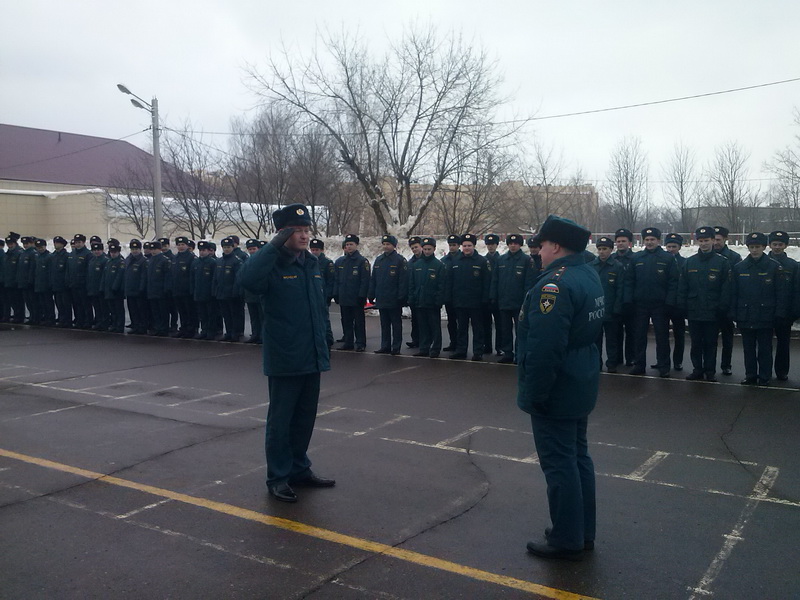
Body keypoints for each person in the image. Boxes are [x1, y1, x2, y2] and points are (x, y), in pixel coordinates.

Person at [517, 215, 603, 561]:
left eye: (541, 245)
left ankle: (566, 538)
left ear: (555, 246)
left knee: (559, 463)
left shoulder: (555, 285)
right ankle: (581, 531)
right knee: (578, 458)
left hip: (559, 385)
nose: (537, 252)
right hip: (580, 378)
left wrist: (536, 393)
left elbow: (545, 348)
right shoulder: (587, 273)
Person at [239, 203, 333, 504]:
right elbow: (246, 281)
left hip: (312, 354)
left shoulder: (311, 264)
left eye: (307, 230)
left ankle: (299, 469)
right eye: (297, 231)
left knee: (304, 419)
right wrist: (272, 247)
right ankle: (278, 477)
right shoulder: (271, 264)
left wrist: (326, 338)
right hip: (285, 356)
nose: (305, 236)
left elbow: (318, 307)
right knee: (281, 422)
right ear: (282, 234)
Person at [730, 232, 786, 386]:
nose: (754, 250)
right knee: (748, 348)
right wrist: (734, 313)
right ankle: (750, 375)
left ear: (764, 247)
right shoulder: (739, 268)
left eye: (757, 247)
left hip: (765, 315)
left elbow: (780, 293)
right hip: (745, 314)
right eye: (751, 247)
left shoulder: (774, 267)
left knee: (765, 348)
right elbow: (734, 293)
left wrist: (779, 313)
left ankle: (764, 376)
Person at [677, 227, 731, 382]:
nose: (704, 244)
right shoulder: (690, 262)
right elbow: (683, 286)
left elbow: (726, 288)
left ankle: (710, 371)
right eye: (701, 241)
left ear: (713, 240)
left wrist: (722, 307)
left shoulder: (722, 262)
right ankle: (697, 369)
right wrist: (682, 306)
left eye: (706, 240)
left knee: (710, 343)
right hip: (694, 310)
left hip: (713, 311)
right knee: (696, 343)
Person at [624, 227, 679, 377]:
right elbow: (629, 281)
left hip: (660, 305)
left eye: (652, 239)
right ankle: (639, 365)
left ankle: (664, 366)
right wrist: (629, 300)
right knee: (639, 336)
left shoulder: (667, 258)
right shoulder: (637, 258)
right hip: (640, 304)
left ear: (658, 240)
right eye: (647, 240)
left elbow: (673, 282)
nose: (649, 242)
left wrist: (669, 302)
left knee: (662, 337)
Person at [490, 233, 536, 364]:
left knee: (520, 330)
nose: (513, 246)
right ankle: (508, 353)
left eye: (515, 243)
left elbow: (528, 283)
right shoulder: (501, 260)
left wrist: (526, 301)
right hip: (504, 301)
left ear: (520, 245)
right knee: (505, 330)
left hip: (519, 303)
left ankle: (519, 354)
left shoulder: (527, 260)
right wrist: (493, 296)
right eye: (510, 243)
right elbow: (495, 280)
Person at [446, 233, 491, 361]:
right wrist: (449, 297)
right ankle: (461, 350)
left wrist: (485, 299)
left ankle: (478, 351)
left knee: (478, 328)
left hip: (476, 302)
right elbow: (450, 281)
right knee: (461, 328)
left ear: (474, 246)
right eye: (464, 245)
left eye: (469, 245)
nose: (466, 248)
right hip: (460, 301)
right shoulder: (455, 261)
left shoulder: (482, 261)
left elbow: (487, 282)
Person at [368, 234, 408, 355]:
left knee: (396, 324)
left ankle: (396, 347)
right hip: (382, 297)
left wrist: (401, 297)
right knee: (384, 324)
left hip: (394, 298)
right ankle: (385, 345)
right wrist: (371, 294)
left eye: (388, 244)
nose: (386, 246)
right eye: (384, 244)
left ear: (394, 246)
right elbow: (373, 279)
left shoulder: (400, 260)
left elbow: (403, 280)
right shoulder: (379, 260)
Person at [767, 230, 799, 380]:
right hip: (765, 311)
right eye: (774, 244)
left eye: (780, 244)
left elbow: (796, 290)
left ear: (785, 245)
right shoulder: (762, 263)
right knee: (765, 344)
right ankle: (765, 371)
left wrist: (794, 312)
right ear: (769, 245)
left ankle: (782, 371)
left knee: (783, 344)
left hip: (785, 313)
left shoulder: (793, 266)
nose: (777, 247)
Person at [408, 237, 447, 358]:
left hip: (432, 302)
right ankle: (424, 348)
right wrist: (412, 298)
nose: (427, 251)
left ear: (434, 249)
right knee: (423, 326)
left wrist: (438, 300)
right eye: (425, 249)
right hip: (419, 301)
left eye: (429, 249)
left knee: (435, 327)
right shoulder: (417, 265)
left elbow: (441, 285)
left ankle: (435, 348)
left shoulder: (438, 265)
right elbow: (412, 283)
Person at [590, 236, 623, 372]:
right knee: (595, 340)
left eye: (605, 249)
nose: (602, 252)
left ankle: (612, 363)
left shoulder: (617, 267)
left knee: (612, 339)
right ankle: (596, 363)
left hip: (611, 309)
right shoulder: (591, 266)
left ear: (611, 249)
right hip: (595, 310)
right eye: (599, 249)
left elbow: (620, 289)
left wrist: (617, 307)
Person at [334, 234, 370, 351]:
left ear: (356, 245)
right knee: (346, 321)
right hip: (344, 296)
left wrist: (362, 295)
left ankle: (360, 343)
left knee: (359, 322)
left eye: (351, 244)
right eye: (347, 244)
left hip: (356, 297)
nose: (349, 247)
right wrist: (336, 293)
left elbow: (365, 280)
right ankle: (348, 342)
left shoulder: (362, 261)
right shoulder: (340, 262)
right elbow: (336, 279)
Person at [713, 226, 742, 375]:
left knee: (727, 338)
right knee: (710, 339)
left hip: (727, 305)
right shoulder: (706, 256)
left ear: (725, 239)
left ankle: (726, 365)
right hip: (711, 305)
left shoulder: (734, 258)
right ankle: (709, 365)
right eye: (714, 239)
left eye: (718, 240)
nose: (715, 243)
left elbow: (737, 283)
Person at [611, 228, 636, 367]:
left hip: (631, 302)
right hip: (616, 302)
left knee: (631, 332)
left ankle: (630, 358)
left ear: (629, 243)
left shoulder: (636, 259)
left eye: (623, 241)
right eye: (618, 241)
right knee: (616, 333)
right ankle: (617, 358)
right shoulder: (611, 259)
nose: (620, 243)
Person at [662, 233, 686, 371]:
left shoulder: (685, 263)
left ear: (679, 247)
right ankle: (663, 360)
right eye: (669, 246)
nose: (671, 249)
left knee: (679, 334)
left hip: (678, 305)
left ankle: (678, 361)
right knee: (663, 335)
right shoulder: (662, 261)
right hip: (664, 304)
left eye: (674, 247)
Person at [215, 237, 245, 342]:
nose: (226, 249)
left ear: (233, 247)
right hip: (222, 292)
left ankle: (235, 333)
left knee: (234, 314)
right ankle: (228, 332)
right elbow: (216, 278)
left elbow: (238, 278)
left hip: (232, 293)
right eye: (224, 247)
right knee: (226, 315)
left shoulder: (237, 261)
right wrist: (216, 290)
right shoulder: (219, 261)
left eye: (228, 247)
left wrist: (236, 292)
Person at [309, 238, 335, 348]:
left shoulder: (327, 263)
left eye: (317, 250)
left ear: (322, 250)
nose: (314, 252)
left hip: (323, 295)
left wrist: (329, 295)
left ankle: (328, 339)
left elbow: (331, 281)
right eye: (312, 250)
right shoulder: (308, 262)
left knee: (324, 318)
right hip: (312, 295)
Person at [172, 236, 198, 339]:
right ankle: (183, 328)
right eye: (179, 245)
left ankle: (191, 329)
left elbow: (193, 275)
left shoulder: (191, 258)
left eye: (183, 244)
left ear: (187, 245)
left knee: (190, 311)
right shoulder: (175, 258)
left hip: (187, 290)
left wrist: (191, 289)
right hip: (177, 289)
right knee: (182, 311)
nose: (181, 247)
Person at [145, 241, 172, 337]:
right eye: (151, 249)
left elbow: (168, 277)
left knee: (163, 311)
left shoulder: (165, 260)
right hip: (152, 290)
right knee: (155, 311)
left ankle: (164, 329)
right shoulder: (150, 260)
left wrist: (166, 289)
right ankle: (157, 327)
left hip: (161, 291)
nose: (153, 251)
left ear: (160, 249)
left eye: (155, 249)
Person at [440, 235, 461, 351]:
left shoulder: (463, 258)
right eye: (450, 245)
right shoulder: (444, 261)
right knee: (451, 322)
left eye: (454, 245)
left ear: (458, 245)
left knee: (461, 323)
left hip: (460, 296)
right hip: (449, 296)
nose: (452, 247)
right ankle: (453, 342)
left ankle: (461, 344)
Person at [483, 233, 502, 355]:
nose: (490, 246)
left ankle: (499, 347)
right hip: (486, 297)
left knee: (500, 324)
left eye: (493, 244)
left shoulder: (502, 260)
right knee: (486, 324)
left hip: (498, 297)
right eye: (488, 244)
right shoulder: (483, 260)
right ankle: (487, 346)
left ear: (497, 245)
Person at [124, 239, 148, 335]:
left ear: (140, 249)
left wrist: (141, 288)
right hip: (130, 289)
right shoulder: (128, 260)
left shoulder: (143, 261)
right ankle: (135, 325)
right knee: (132, 310)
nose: (134, 251)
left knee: (141, 310)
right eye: (133, 249)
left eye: (136, 249)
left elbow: (143, 276)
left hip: (138, 290)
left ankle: (142, 327)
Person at [242, 239, 264, 344]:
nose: (252, 251)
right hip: (250, 294)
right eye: (250, 249)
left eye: (254, 249)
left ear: (258, 249)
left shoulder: (264, 261)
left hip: (260, 294)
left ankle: (263, 336)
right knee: (254, 317)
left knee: (262, 317)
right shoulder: (247, 261)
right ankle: (255, 334)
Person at [102, 241, 126, 333]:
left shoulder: (121, 262)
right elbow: (105, 276)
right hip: (108, 290)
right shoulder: (109, 262)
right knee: (112, 309)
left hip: (117, 291)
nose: (113, 254)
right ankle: (114, 324)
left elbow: (119, 276)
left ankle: (119, 326)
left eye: (115, 252)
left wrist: (115, 287)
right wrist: (103, 287)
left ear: (118, 252)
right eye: (111, 252)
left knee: (118, 309)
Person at [406, 236, 423, 349]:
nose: (414, 250)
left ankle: (425, 340)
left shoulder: (426, 260)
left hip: (424, 295)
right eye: (412, 248)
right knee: (415, 320)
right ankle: (415, 339)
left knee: (424, 320)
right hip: (414, 295)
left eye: (416, 247)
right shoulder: (410, 263)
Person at [33, 239, 55, 326]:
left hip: (46, 284)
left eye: (41, 247)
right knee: (42, 303)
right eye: (38, 247)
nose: (40, 249)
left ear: (45, 246)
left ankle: (50, 318)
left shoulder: (49, 257)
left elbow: (51, 272)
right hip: (39, 284)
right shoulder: (37, 256)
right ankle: (45, 317)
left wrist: (50, 283)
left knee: (48, 303)